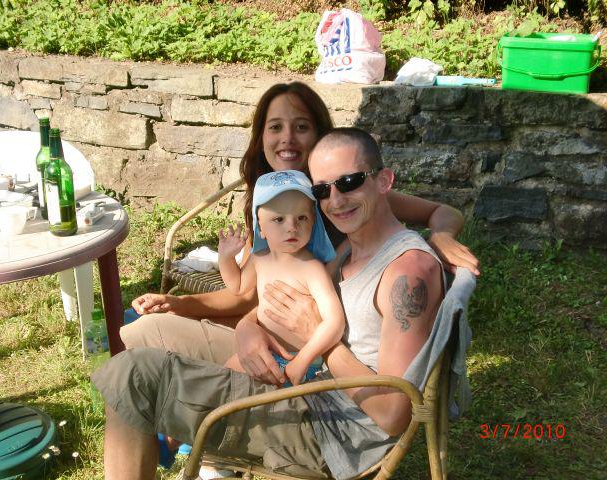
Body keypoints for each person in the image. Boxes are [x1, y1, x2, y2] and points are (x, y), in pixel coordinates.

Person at [92, 127, 446, 479]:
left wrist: (316, 337)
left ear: (384, 181)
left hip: (331, 429)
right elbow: (276, 296)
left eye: (349, 182)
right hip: (299, 375)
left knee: (134, 375)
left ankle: (180, 444)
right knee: (144, 332)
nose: (335, 200)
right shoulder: (349, 250)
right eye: (322, 190)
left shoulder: (409, 272)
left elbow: (392, 412)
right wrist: (248, 327)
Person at [121, 82, 479, 381]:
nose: (287, 139)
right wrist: (185, 306)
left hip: (312, 346)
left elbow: (443, 212)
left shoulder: (350, 194)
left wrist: (441, 236)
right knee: (140, 325)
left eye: (302, 127)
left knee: (147, 340)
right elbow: (248, 292)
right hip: (275, 325)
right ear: (262, 136)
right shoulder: (272, 201)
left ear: (321, 137)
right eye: (275, 127)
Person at [218, 170, 343, 386]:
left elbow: (335, 322)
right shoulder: (259, 259)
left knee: (230, 386)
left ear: (313, 222)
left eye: (301, 218)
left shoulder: (311, 268)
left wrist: (303, 361)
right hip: (263, 350)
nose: (291, 227)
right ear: (260, 226)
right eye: (279, 219)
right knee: (223, 378)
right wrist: (225, 258)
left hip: (301, 360)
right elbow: (237, 286)